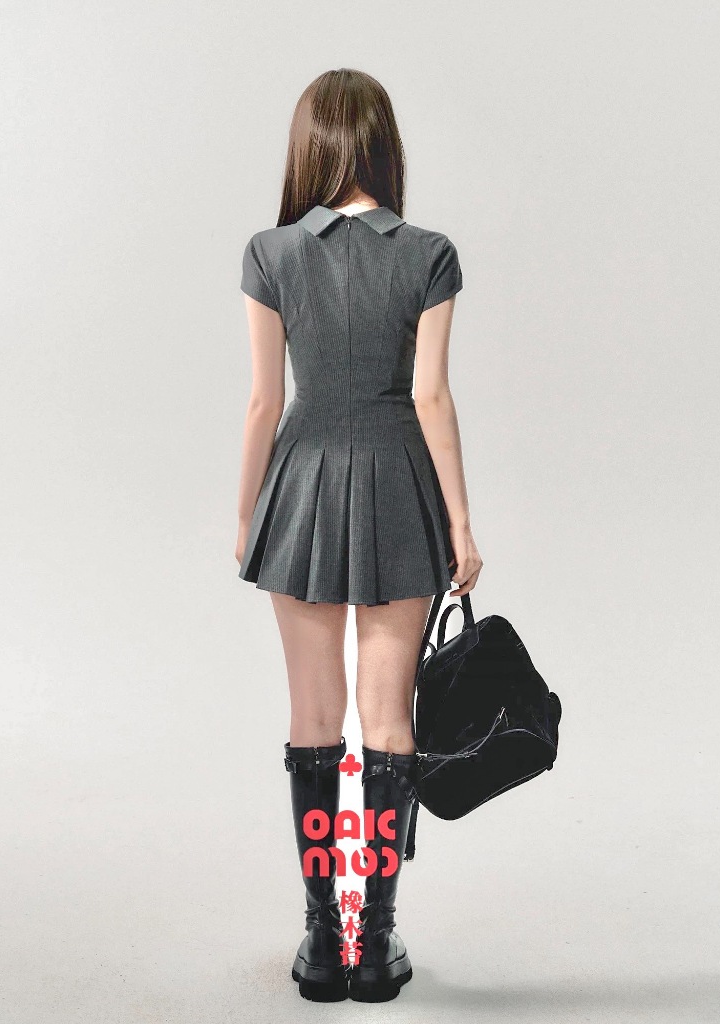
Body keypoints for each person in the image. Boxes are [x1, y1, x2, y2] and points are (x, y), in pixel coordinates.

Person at [233, 68, 483, 1003]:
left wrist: (247, 514)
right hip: (399, 489)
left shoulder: (270, 253)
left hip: (298, 488)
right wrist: (460, 523)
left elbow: (264, 402)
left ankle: (319, 938)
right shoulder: (428, 254)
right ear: (386, 146)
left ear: (308, 147)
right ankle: (372, 942)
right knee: (388, 723)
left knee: (312, 721)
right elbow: (431, 397)